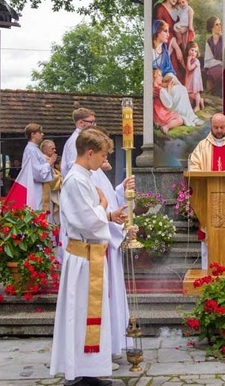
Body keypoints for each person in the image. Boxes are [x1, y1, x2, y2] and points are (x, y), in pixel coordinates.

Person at [50, 127, 128, 386]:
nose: (103, 161)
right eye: (103, 155)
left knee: (91, 317)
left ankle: (90, 369)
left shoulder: (83, 177)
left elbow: (90, 217)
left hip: (91, 257)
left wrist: (108, 215)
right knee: (81, 314)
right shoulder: (76, 180)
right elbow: (86, 220)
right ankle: (79, 371)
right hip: (83, 260)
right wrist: (104, 207)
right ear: (90, 152)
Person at [189, 113, 225, 268]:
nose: (219, 130)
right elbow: (194, 167)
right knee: (209, 234)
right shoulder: (202, 146)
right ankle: (206, 272)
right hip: (209, 202)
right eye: (216, 127)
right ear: (211, 126)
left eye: (222, 127)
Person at [90, 156, 134, 363]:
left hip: (108, 245)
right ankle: (101, 351)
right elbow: (95, 212)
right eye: (104, 154)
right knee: (104, 300)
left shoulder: (97, 174)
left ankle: (112, 345)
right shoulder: (85, 176)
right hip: (99, 247)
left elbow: (109, 203)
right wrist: (116, 224)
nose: (107, 158)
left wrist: (121, 191)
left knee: (113, 298)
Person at [21, 123, 57, 211]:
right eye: (40, 132)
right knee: (38, 208)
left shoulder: (35, 149)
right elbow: (36, 172)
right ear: (33, 134)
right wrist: (49, 163)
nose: (42, 134)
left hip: (41, 187)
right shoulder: (31, 150)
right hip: (35, 188)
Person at [153, 0, 185, 81]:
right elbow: (159, 30)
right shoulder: (160, 8)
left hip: (177, 41)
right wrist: (175, 47)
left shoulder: (177, 10)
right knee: (173, 64)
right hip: (165, 43)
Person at [61, 108, 97, 177]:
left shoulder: (84, 139)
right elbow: (74, 165)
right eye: (91, 122)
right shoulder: (76, 140)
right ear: (81, 123)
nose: (94, 125)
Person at [153, 69, 184, 134]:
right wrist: (169, 88)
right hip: (161, 115)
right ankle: (166, 127)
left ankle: (159, 125)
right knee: (180, 119)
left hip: (155, 116)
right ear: (154, 77)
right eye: (159, 75)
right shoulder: (160, 90)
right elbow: (169, 104)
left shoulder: (153, 89)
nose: (161, 77)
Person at [40, 139, 63, 225]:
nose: (54, 150)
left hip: (50, 193)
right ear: (45, 150)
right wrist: (61, 178)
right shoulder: (42, 160)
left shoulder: (49, 160)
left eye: (54, 149)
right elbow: (47, 177)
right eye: (52, 149)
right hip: (44, 192)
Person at [203, 16, 223, 94]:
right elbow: (208, 60)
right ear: (211, 27)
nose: (220, 26)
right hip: (216, 65)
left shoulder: (224, 38)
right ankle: (211, 94)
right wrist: (219, 63)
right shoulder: (209, 41)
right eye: (217, 25)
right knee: (210, 72)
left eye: (220, 24)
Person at [184, 42, 205, 112]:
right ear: (188, 50)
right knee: (189, 92)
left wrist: (188, 60)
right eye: (192, 50)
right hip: (190, 79)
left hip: (195, 80)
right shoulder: (190, 60)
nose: (193, 52)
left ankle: (197, 106)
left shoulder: (196, 61)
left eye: (195, 51)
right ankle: (200, 101)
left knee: (196, 93)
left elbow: (189, 68)